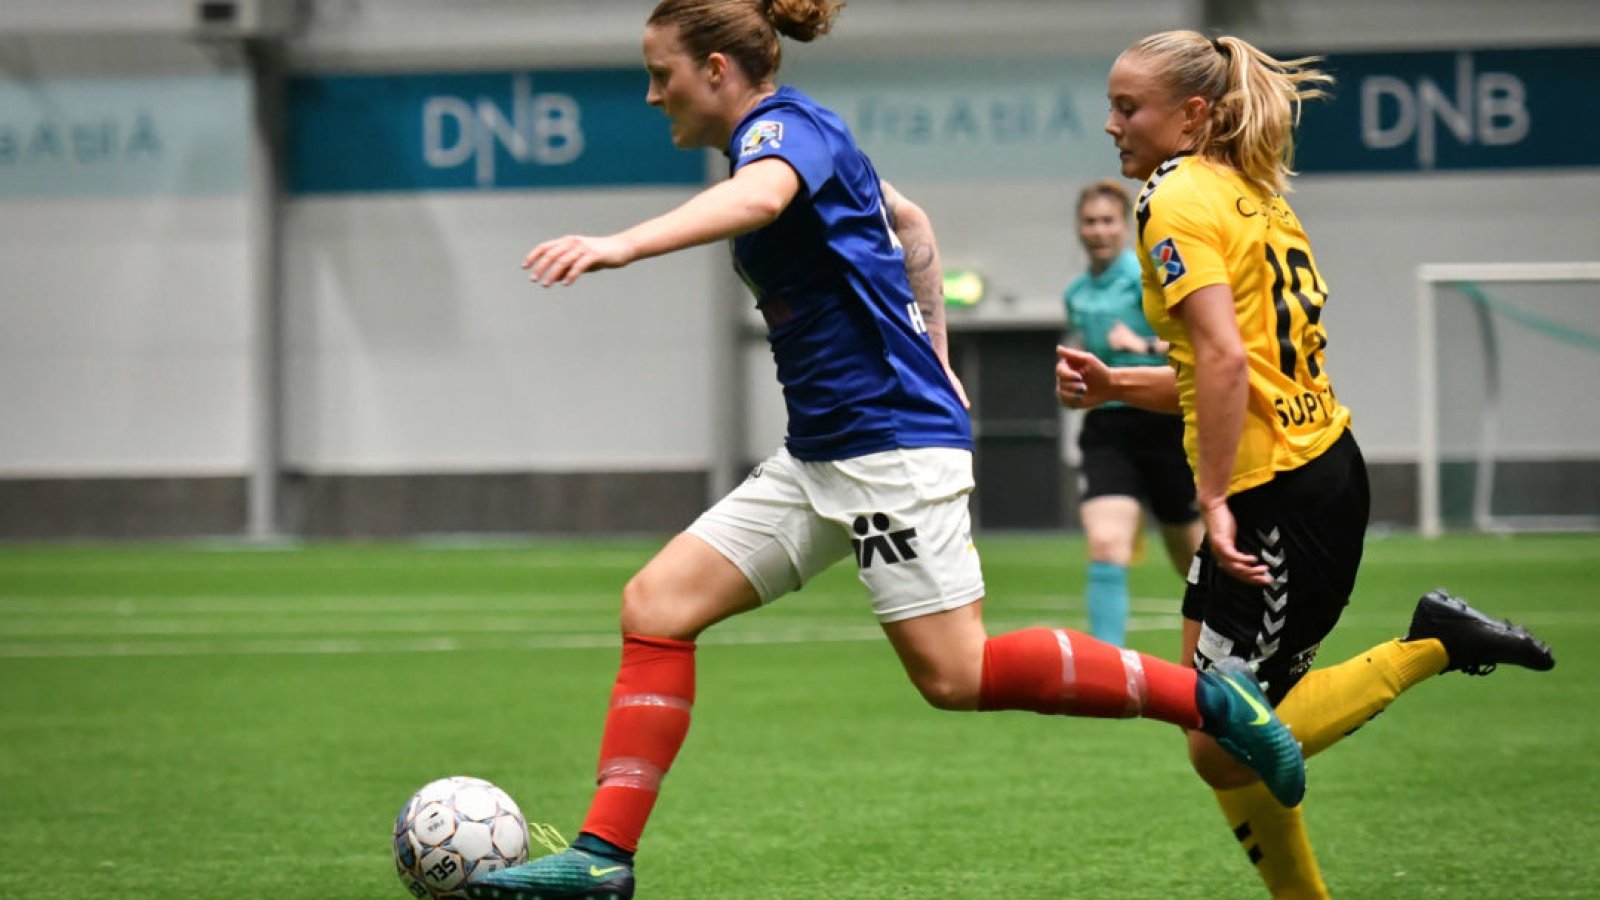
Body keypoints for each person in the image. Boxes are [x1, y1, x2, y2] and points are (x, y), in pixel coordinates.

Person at [468, 6, 1306, 899]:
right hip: (823, 453)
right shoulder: (802, 136)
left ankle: (1213, 701)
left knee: (957, 674)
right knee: (657, 605)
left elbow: (764, 200)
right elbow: (913, 226)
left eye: (660, 74)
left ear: (716, 70)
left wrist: (620, 244)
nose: (650, 94)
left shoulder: (782, 133)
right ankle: (603, 859)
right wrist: (938, 357)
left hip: (886, 452)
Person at [1056, 29, 1556, 898]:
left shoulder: (1174, 198)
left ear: (1192, 117)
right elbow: (1226, 370)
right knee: (1210, 717)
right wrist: (1117, 383)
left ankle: (1430, 643)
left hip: (1283, 496)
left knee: (1220, 744)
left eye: (1127, 107)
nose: (1111, 124)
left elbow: (1222, 361)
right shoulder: (1247, 193)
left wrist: (1209, 496)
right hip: (1288, 477)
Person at [1062, 178, 1203, 646]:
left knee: (1195, 560)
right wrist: (1069, 387)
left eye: (1107, 221)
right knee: (1105, 543)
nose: (1098, 230)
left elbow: (1195, 345)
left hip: (1165, 421)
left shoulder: (1151, 278)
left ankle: (1234, 652)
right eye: (1089, 221)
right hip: (1107, 428)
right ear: (1078, 229)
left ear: (1124, 228)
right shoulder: (1077, 294)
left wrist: (1140, 344)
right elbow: (1086, 368)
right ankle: (1109, 666)